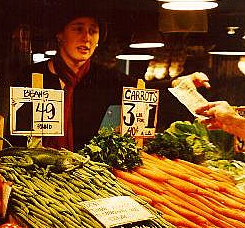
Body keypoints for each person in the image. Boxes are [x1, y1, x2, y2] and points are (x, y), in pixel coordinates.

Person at [12, 11, 211, 152]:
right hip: (37, 177)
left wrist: (178, 85)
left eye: (93, 31)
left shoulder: (107, 78)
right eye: (78, 29)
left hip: (89, 179)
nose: (86, 38)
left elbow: (145, 91)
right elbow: (14, 139)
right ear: (60, 35)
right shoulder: (29, 77)